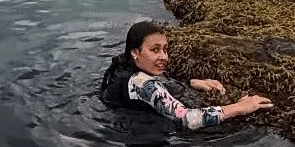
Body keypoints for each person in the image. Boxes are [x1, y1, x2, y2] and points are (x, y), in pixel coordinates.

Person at [98, 20, 273, 129]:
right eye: (155, 50)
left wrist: (192, 82)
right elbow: (187, 119)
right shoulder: (141, 83)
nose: (164, 57)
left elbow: (158, 82)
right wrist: (239, 107)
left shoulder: (123, 64)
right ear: (135, 52)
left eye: (165, 49)